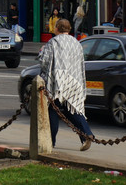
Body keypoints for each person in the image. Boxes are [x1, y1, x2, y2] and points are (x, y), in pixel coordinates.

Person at [38, 18, 95, 151]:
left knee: (53, 109)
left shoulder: (53, 42)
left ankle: (50, 141)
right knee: (73, 109)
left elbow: (44, 61)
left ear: (57, 28)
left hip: (58, 81)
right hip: (74, 81)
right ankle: (87, 134)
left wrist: (41, 53)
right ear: (69, 29)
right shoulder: (76, 43)